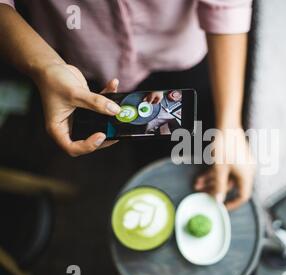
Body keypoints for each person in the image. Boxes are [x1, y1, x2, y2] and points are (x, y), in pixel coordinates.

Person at [0, 0, 255, 210]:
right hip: (77, 62)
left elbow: (227, 5)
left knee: (194, 139)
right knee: (130, 141)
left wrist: (230, 125)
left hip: (183, 52)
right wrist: (45, 67)